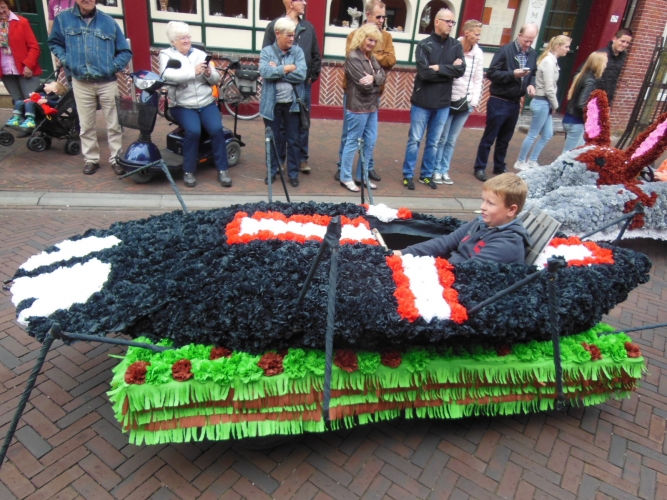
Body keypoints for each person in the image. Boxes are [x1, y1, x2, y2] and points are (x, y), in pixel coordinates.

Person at [48, 0, 132, 176]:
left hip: (107, 81)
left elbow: (125, 51)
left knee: (114, 124)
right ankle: (91, 159)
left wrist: (113, 67)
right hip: (81, 82)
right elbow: (54, 42)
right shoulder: (63, 19)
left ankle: (117, 158)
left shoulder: (108, 21)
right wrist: (66, 60)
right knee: (86, 125)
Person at [394, 173, 531, 265]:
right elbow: (445, 242)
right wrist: (401, 253)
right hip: (451, 271)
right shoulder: (481, 222)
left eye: (490, 203)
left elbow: (468, 272)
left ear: (511, 210)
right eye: (483, 200)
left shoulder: (508, 243)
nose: (482, 207)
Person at [159, 22, 231, 189]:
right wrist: (193, 71)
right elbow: (167, 76)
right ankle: (188, 171)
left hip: (206, 102)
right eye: (181, 38)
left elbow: (215, 79)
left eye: (188, 37)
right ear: (173, 41)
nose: (186, 41)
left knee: (217, 130)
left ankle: (223, 170)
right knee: (193, 131)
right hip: (182, 105)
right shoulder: (166, 55)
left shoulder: (200, 54)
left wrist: (209, 73)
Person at [401, 8, 464, 190]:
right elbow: (424, 73)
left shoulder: (456, 46)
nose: (451, 25)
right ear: (437, 22)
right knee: (414, 140)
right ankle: (408, 174)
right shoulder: (424, 45)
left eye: (452, 22)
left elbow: (460, 70)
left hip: (443, 103)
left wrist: (438, 68)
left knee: (434, 142)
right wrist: (449, 69)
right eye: (447, 21)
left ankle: (426, 175)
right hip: (422, 101)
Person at [335, 0, 396, 182]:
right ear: (368, 15)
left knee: (370, 137)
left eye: (384, 17)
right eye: (378, 16)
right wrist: (376, 61)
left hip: (375, 94)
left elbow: (391, 61)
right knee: (349, 134)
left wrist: (373, 66)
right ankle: (343, 169)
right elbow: (357, 65)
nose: (381, 20)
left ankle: (366, 169)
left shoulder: (386, 37)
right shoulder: (353, 35)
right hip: (355, 94)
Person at [473, 23, 538, 182]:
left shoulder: (532, 54)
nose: (528, 44)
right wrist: (512, 74)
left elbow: (533, 73)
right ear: (519, 35)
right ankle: (480, 167)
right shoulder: (505, 50)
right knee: (490, 137)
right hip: (499, 100)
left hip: (515, 102)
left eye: (531, 41)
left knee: (505, 138)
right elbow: (492, 73)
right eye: (526, 40)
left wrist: (531, 84)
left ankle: (499, 165)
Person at [263, 0, 321, 174]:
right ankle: (279, 163)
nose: (305, 3)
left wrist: (310, 77)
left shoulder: (308, 27)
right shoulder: (274, 25)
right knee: (278, 130)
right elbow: (266, 65)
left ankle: (300, 161)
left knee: (300, 126)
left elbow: (315, 55)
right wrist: (288, 68)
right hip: (276, 92)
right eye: (300, 0)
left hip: (301, 87)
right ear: (290, 2)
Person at [432, 19, 484, 186]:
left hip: (466, 102)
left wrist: (474, 101)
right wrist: (452, 66)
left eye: (479, 35)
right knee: (442, 138)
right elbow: (442, 69)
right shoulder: (452, 47)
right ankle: (435, 169)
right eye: (476, 34)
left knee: (451, 140)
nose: (478, 38)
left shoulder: (478, 53)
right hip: (448, 100)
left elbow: (478, 79)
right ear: (466, 33)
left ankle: (444, 170)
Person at [259, 17, 307, 187]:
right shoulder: (267, 52)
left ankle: (292, 173)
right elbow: (265, 72)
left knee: (293, 140)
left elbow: (302, 75)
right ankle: (272, 171)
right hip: (272, 105)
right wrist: (288, 68)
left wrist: (277, 70)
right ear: (278, 34)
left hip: (293, 105)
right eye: (288, 35)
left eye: (293, 35)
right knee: (273, 139)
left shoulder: (298, 52)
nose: (292, 39)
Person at [339, 23, 386, 192]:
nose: (372, 43)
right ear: (361, 38)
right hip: (358, 107)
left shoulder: (371, 58)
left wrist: (373, 79)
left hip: (372, 107)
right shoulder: (353, 57)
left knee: (370, 142)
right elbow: (363, 86)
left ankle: (362, 176)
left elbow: (383, 75)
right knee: (352, 142)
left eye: (374, 40)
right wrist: (376, 81)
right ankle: (345, 177)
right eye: (369, 39)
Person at [515, 35, 571, 170]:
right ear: (558, 46)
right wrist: (556, 105)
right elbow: (549, 88)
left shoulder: (552, 61)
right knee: (533, 134)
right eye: (566, 46)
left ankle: (532, 160)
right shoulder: (548, 62)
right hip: (541, 102)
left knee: (547, 134)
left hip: (545, 103)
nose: (568, 49)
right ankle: (520, 161)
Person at [562, 51, 607, 153]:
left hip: (570, 118)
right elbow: (581, 104)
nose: (605, 65)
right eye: (605, 62)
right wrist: (592, 116)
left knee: (574, 152)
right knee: (569, 153)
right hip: (576, 121)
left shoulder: (582, 76)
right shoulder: (590, 81)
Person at [0, 0, 42, 105]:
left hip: (25, 69)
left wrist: (29, 65)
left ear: (8, 6)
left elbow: (34, 47)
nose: (1, 11)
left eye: (3, 7)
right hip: (5, 70)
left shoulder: (22, 22)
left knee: (33, 102)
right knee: (18, 102)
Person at [597, 28, 632, 105]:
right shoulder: (601, 54)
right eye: (622, 41)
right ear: (614, 39)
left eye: (627, 43)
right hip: (595, 96)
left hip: (608, 98)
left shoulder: (624, 58)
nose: (624, 45)